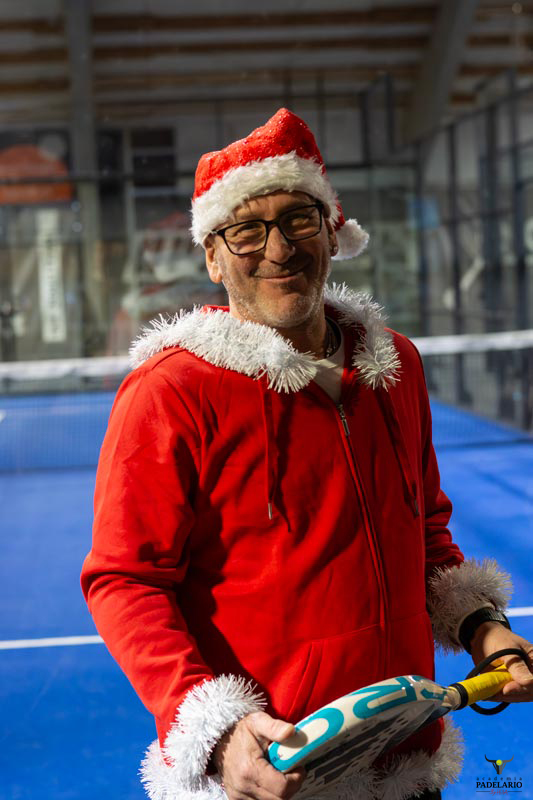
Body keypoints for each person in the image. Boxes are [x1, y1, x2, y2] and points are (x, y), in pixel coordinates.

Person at [81, 108, 533, 800]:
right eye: (246, 229)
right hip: (272, 774)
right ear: (212, 255)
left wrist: (482, 629)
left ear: (331, 230)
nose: (278, 248)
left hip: (406, 761)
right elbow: (126, 581)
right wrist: (220, 731)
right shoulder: (167, 391)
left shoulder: (395, 367)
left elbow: (424, 531)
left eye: (298, 219)